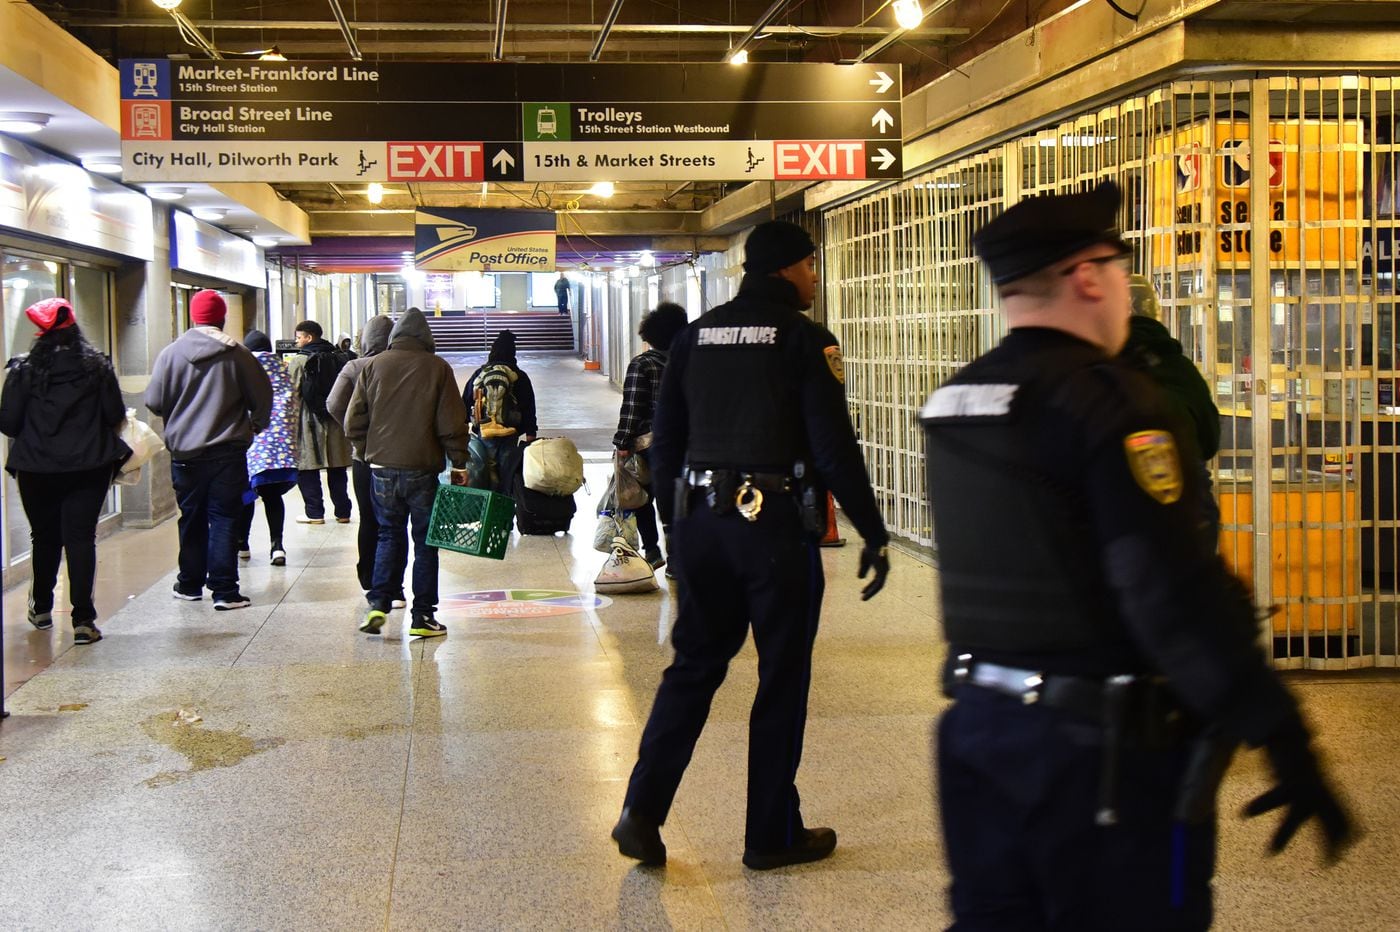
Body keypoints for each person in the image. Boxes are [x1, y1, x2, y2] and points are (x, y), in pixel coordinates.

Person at [921, 181, 1354, 929]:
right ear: (1089, 275)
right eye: (1119, 268)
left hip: (977, 734)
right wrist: (1283, 735)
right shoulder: (1114, 403)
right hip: (1100, 759)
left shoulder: (956, 400)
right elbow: (1171, 591)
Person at [611, 220, 891, 870]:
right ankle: (770, 833)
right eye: (812, 266)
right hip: (774, 530)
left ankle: (642, 812)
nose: (816, 279)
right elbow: (832, 447)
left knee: (693, 668)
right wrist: (872, 530)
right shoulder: (803, 338)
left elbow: (669, 442)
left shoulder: (693, 337)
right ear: (789, 268)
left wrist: (681, 533)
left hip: (703, 522)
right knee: (781, 676)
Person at [0, 298, 129, 644]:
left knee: (44, 537)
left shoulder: (23, 370)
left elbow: (9, 424)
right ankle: (83, 620)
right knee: (80, 538)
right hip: (89, 466)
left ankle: (41, 608)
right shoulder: (97, 366)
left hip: (36, 468)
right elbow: (114, 413)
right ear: (74, 326)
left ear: (39, 331)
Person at [344, 308, 471, 639]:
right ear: (427, 337)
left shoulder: (373, 365)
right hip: (421, 469)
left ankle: (379, 603)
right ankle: (423, 616)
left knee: (388, 533)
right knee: (426, 542)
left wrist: (368, 449)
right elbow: (451, 423)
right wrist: (459, 463)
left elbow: (352, 421)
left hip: (381, 469)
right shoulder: (437, 368)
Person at [146, 290, 272, 610]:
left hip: (185, 453)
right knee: (225, 517)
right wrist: (253, 426)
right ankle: (225, 590)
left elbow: (154, 401)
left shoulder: (170, 354)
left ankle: (189, 584)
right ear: (222, 318)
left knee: (191, 516)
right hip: (228, 451)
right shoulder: (238, 354)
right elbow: (262, 397)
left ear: (193, 317)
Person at [1122, 273, 1222, 548]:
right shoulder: (1181, 368)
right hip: (1190, 504)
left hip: (1126, 509)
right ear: (1157, 313)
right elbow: (1210, 440)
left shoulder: (1100, 368)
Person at [327, 314, 406, 608]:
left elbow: (334, 404)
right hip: (399, 455)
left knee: (369, 519)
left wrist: (356, 434)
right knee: (395, 522)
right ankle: (395, 586)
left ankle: (369, 578)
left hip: (363, 457)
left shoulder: (354, 366)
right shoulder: (402, 364)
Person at [612, 302, 688, 569]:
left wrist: (622, 442)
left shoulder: (643, 364)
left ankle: (653, 550)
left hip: (649, 443)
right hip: (689, 442)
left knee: (640, 495)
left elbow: (633, 407)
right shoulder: (692, 361)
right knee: (679, 498)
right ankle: (677, 559)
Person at [234, 331, 298, 567]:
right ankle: (277, 546)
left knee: (246, 496)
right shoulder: (283, 370)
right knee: (272, 497)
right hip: (279, 450)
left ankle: (242, 544)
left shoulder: (243, 370)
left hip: (250, 445)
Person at [286, 319, 354, 524]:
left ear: (309, 337)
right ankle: (343, 512)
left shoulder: (299, 361)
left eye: (299, 338)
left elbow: (292, 394)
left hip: (309, 421)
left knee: (307, 468)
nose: (297, 342)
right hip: (335, 419)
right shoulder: (340, 357)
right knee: (337, 467)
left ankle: (314, 513)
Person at [463, 329, 537, 492]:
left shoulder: (480, 374)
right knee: (507, 475)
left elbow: (466, 400)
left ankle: (487, 510)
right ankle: (504, 510)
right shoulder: (519, 376)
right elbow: (529, 407)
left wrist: (462, 427)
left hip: (484, 432)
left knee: (485, 474)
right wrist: (531, 434)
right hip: (510, 433)